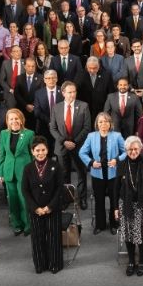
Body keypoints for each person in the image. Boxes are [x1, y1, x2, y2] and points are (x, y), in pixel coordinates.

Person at [114, 136, 143, 276]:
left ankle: (142, 260)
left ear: (140, 149)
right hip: (125, 203)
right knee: (128, 233)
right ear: (126, 150)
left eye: (135, 149)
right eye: (130, 149)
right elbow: (116, 188)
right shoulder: (122, 164)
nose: (133, 152)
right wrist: (116, 207)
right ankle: (131, 261)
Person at [21, 136, 67, 274]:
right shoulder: (28, 168)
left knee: (54, 237)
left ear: (47, 150)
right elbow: (25, 190)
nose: (40, 153)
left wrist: (49, 207)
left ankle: (55, 264)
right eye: (37, 150)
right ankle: (40, 264)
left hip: (52, 208)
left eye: (43, 150)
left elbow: (60, 189)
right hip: (35, 209)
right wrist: (35, 208)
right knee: (37, 238)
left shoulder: (56, 166)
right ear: (32, 152)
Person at [79, 112, 127, 235]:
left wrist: (117, 159)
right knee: (99, 200)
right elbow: (82, 152)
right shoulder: (91, 136)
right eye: (100, 122)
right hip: (97, 173)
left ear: (110, 123)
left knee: (114, 200)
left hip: (113, 173)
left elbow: (127, 151)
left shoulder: (117, 136)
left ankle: (114, 223)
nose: (103, 124)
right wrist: (91, 162)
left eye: (106, 121)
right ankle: (100, 225)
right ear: (97, 124)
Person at [49, 81, 91, 210]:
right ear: (63, 93)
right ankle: (67, 198)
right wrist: (64, 141)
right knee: (63, 174)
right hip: (62, 147)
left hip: (79, 146)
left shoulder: (83, 106)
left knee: (81, 173)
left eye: (74, 92)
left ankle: (82, 198)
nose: (72, 95)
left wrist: (74, 142)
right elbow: (53, 128)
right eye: (69, 92)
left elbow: (87, 127)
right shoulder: (56, 107)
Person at [0, 108, 35, 236]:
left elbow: (33, 155)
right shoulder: (3, 134)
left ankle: (28, 224)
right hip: (8, 171)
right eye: (11, 119)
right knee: (12, 200)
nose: (14, 121)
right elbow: (2, 155)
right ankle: (16, 224)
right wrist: (1, 173)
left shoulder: (29, 134)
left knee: (24, 199)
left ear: (21, 120)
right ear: (7, 121)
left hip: (24, 171)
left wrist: (33, 172)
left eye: (16, 118)